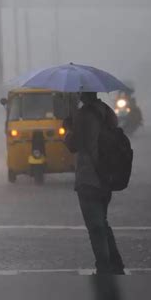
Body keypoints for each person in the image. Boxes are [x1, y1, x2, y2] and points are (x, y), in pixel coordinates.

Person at [63, 92, 125, 275]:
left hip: (89, 176)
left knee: (95, 226)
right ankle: (116, 264)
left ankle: (104, 268)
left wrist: (68, 129)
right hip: (107, 175)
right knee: (102, 222)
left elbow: (73, 145)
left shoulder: (83, 116)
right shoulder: (107, 112)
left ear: (83, 94)